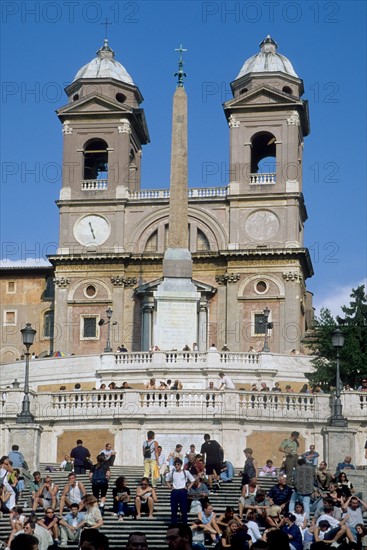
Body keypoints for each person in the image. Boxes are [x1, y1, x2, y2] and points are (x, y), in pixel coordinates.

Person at [166, 458, 195, 524]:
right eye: (175, 465)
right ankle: (174, 523)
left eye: (178, 465)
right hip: (175, 491)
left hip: (182, 491)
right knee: (174, 509)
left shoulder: (185, 472)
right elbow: (167, 480)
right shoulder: (172, 472)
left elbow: (192, 480)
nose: (177, 466)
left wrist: (188, 487)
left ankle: (184, 523)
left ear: (181, 465)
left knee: (183, 508)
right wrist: (170, 487)